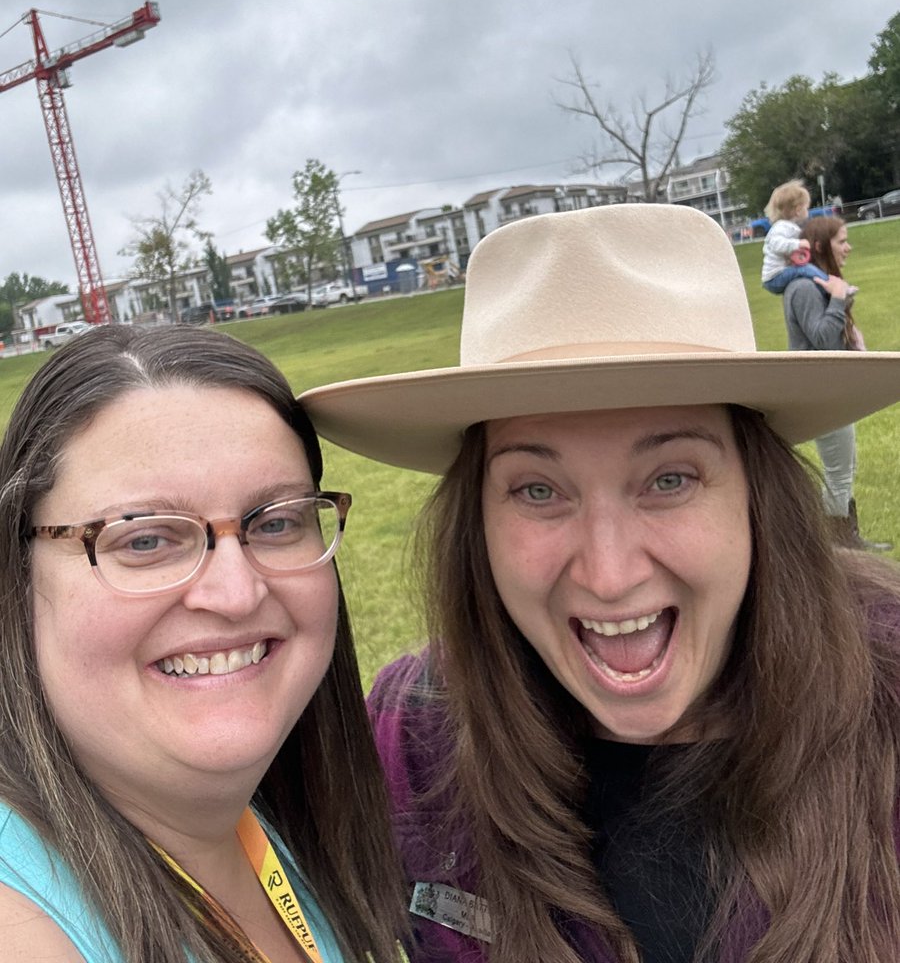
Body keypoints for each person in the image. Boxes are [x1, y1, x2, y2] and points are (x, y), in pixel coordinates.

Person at [301, 203, 900, 963]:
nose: (610, 575)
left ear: (757, 494)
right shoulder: (413, 732)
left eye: (671, 478)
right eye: (538, 491)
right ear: (475, 520)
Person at [0, 324, 408, 963]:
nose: (236, 593)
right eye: (143, 539)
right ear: (18, 580)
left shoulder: (278, 821)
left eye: (274, 523)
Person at [783, 214, 891, 550]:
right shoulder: (803, 287)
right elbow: (823, 341)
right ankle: (840, 551)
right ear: (818, 246)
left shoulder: (817, 283)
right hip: (822, 394)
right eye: (841, 241)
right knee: (838, 473)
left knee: (845, 466)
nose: (848, 247)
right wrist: (840, 299)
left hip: (833, 392)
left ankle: (848, 541)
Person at [760, 180, 831, 294]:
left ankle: (824, 287)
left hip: (779, 274)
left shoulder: (791, 227)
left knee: (806, 268)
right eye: (806, 208)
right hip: (774, 277)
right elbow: (776, 244)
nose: (807, 211)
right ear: (798, 210)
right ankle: (830, 287)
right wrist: (798, 244)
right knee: (805, 269)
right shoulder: (781, 226)